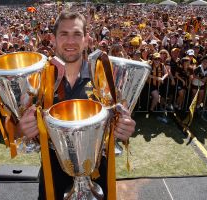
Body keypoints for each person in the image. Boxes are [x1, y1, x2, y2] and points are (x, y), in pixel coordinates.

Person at [17, 11, 136, 200]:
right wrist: (23, 129)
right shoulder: (37, 79)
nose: (70, 41)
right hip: (53, 180)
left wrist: (125, 127)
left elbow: (120, 118)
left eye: (77, 34)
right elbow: (20, 130)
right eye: (64, 34)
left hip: (97, 181)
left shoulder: (105, 77)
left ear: (87, 39)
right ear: (52, 39)